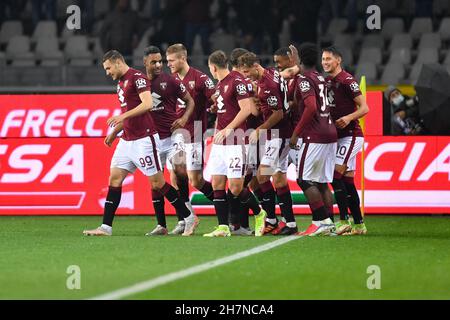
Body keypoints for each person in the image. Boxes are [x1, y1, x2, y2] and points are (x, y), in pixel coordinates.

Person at [83, 50, 198, 236]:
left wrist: (121, 117)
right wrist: (115, 132)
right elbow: (129, 111)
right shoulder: (121, 83)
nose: (107, 72)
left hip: (144, 139)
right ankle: (106, 227)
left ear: (118, 62)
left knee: (158, 183)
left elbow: (147, 105)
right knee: (114, 179)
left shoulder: (138, 78)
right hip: (126, 140)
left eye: (108, 68)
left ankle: (189, 217)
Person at [204, 50, 267, 237]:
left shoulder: (237, 80)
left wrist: (229, 128)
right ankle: (223, 227)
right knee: (216, 182)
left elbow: (247, 109)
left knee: (236, 187)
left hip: (237, 141)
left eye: (210, 69)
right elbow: (228, 109)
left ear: (213, 67)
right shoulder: (220, 85)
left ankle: (260, 213)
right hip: (219, 142)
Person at [238, 52, 298, 235]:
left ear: (256, 66)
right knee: (278, 178)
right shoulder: (272, 73)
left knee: (263, 176)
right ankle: (285, 223)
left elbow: (278, 113)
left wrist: (260, 129)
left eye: (247, 72)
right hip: (279, 134)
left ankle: (275, 220)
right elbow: (289, 73)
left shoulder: (267, 85)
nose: (246, 76)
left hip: (278, 135)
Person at [142, 45, 198, 236]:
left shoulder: (171, 81)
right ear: (145, 63)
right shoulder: (140, 84)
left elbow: (190, 101)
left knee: (181, 171)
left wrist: (183, 119)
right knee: (155, 182)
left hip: (174, 135)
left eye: (161, 61)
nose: (159, 65)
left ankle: (187, 216)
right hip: (152, 138)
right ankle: (162, 225)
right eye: (154, 62)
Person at [165, 43, 217, 234]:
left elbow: (217, 99)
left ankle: (228, 209)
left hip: (194, 134)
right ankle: (186, 218)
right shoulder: (170, 81)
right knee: (175, 175)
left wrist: (213, 109)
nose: (168, 64)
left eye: (171, 60)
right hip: (176, 136)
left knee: (195, 180)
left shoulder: (201, 78)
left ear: (182, 58)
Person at [289, 43, 337, 237]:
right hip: (330, 131)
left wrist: (296, 133)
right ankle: (329, 223)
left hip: (314, 134)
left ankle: (321, 221)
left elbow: (311, 107)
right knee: (322, 182)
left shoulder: (304, 79)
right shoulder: (320, 77)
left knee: (304, 179)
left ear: (300, 59)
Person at [322, 46, 369, 235]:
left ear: (338, 60)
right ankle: (359, 225)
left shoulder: (347, 80)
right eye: (323, 59)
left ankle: (343, 220)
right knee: (348, 182)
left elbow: (365, 108)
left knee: (335, 175)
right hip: (338, 137)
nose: (325, 62)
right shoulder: (327, 81)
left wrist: (349, 117)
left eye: (328, 59)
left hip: (351, 136)